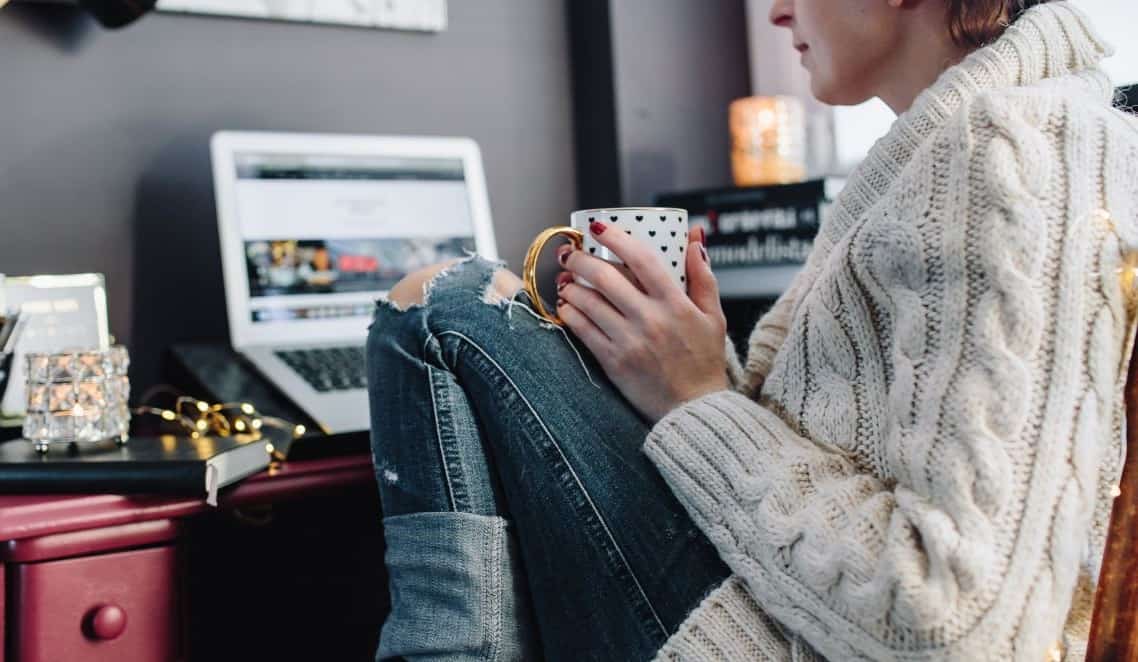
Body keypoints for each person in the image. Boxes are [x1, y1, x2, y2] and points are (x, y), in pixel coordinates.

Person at [365, 1, 1138, 659]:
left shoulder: (1010, 149)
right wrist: (704, 371)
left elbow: (961, 626)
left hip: (776, 636)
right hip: (778, 604)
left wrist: (698, 401)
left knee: (441, 307)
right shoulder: (965, 143)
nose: (774, 11)